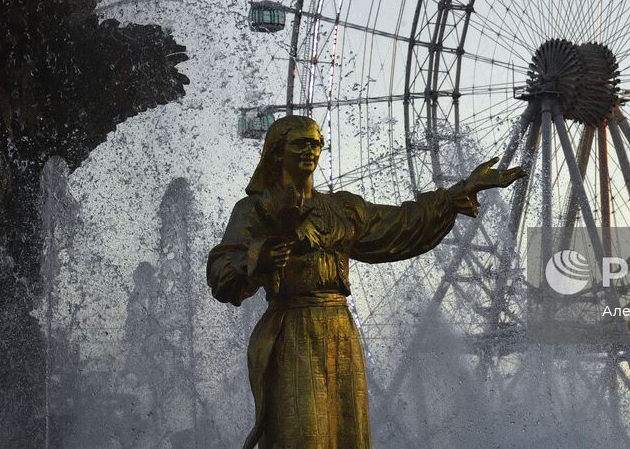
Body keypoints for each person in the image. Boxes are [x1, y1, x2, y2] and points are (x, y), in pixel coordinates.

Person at [207, 114, 524, 449]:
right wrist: (260, 257)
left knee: (349, 436)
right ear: (276, 152)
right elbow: (222, 269)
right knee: (302, 435)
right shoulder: (257, 209)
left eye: (316, 143)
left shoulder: (342, 208)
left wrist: (464, 189)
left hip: (341, 331)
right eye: (300, 143)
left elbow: (401, 222)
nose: (310, 151)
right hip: (293, 330)